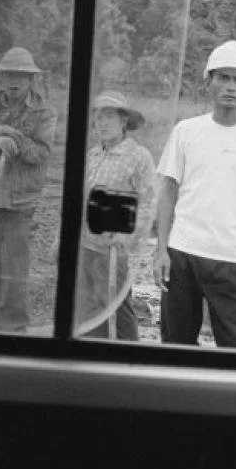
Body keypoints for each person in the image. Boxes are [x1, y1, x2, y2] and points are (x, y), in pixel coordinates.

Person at [154, 40, 236, 349]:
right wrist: (161, 250)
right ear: (208, 81)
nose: (230, 86)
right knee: (175, 343)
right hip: (182, 253)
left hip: (231, 258)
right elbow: (168, 190)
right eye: (223, 77)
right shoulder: (186, 131)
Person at [0, 47, 57, 332]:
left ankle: (14, 327)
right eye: (8, 75)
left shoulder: (44, 112)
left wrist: (10, 137)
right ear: (0, 78)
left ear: (31, 80)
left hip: (19, 201)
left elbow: (41, 153)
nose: (13, 81)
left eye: (20, 76)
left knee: (13, 269)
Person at [76, 91, 157, 340]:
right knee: (88, 308)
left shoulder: (138, 156)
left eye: (109, 116)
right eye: (98, 117)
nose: (102, 123)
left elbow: (147, 203)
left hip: (114, 249)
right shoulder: (92, 156)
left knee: (116, 308)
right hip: (86, 245)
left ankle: (127, 355)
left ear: (123, 121)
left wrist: (126, 236)